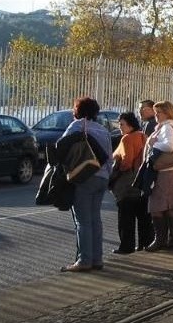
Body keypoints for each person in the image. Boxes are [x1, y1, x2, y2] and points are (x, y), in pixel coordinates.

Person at [58, 96, 112, 272]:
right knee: (95, 219)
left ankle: (84, 260)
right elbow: (109, 157)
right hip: (102, 177)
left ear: (77, 111)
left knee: (83, 221)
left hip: (84, 176)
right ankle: (97, 259)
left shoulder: (78, 125)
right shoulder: (103, 130)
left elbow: (61, 147)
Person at [144, 100, 173, 252]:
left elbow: (170, 146)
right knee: (170, 207)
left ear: (166, 113)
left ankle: (160, 240)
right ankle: (171, 240)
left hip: (166, 172)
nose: (155, 115)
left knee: (157, 207)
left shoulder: (167, 127)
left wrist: (153, 143)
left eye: (158, 112)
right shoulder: (172, 126)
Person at [111, 112, 153, 254]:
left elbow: (127, 162)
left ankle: (126, 247)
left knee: (126, 218)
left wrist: (116, 173)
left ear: (130, 124)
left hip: (128, 183)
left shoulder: (127, 139)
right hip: (141, 181)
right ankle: (145, 243)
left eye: (122, 124)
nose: (120, 127)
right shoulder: (143, 136)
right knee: (143, 217)